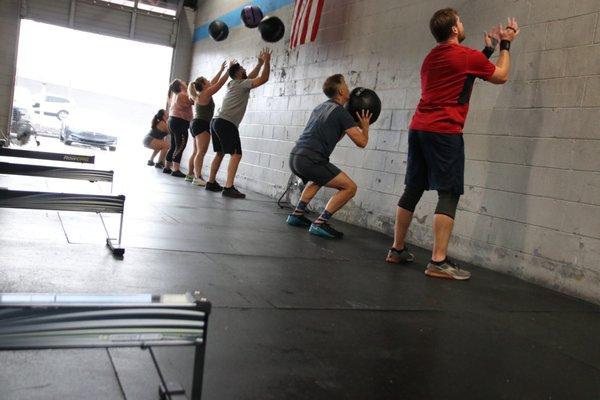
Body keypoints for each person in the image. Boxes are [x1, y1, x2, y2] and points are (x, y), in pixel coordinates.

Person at [385, 8, 520, 280]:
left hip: (419, 128)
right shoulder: (464, 56)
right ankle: (438, 261)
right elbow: (501, 75)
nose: (462, 23)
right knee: (448, 193)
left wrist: (486, 49)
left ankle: (397, 249)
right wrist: (505, 44)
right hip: (445, 132)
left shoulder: (431, 58)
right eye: (460, 21)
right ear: (455, 30)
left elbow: (463, 74)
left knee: (413, 188)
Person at [286, 74, 371, 239]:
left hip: (296, 156)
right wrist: (365, 127)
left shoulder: (321, 107)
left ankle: (296, 215)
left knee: (319, 178)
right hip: (311, 159)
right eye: (345, 84)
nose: (348, 87)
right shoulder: (340, 112)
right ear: (340, 90)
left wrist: (351, 126)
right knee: (350, 187)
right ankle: (320, 223)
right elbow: (362, 142)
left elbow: (334, 135)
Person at [206, 48, 272, 198]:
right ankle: (228, 187)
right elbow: (263, 79)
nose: (245, 70)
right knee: (236, 154)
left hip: (216, 121)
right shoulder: (241, 84)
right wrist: (267, 61)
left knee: (220, 153)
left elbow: (249, 78)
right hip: (226, 122)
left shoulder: (234, 83)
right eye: (242, 69)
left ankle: (211, 182)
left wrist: (259, 64)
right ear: (237, 73)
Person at [186, 61, 230, 186]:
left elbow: (214, 81)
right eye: (207, 81)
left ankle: (190, 174)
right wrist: (228, 71)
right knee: (201, 152)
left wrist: (221, 70)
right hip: (201, 124)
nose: (209, 81)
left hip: (195, 124)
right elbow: (219, 83)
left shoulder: (199, 94)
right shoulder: (205, 93)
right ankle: (198, 177)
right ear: (204, 85)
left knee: (196, 152)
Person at [165, 79, 193, 177]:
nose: (185, 82)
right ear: (181, 86)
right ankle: (176, 170)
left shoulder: (175, 95)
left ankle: (167, 167)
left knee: (174, 145)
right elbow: (194, 100)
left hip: (173, 121)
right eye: (182, 82)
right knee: (181, 145)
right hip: (179, 122)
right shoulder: (182, 95)